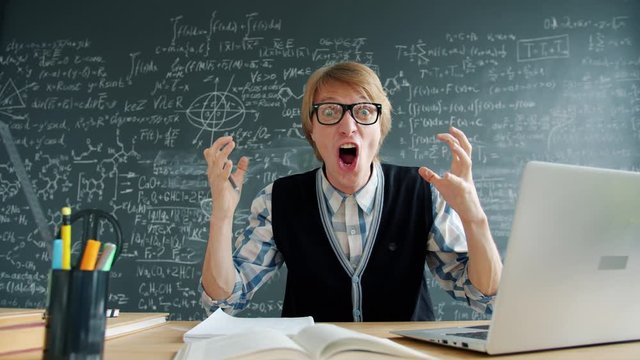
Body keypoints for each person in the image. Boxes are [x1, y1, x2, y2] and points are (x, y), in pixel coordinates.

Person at [200, 61, 502, 321]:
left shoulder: (423, 193)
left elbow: (482, 296)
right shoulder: (277, 201)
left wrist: (473, 214)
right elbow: (224, 301)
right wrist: (222, 216)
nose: (348, 126)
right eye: (330, 111)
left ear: (380, 128)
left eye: (363, 111)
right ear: (312, 130)